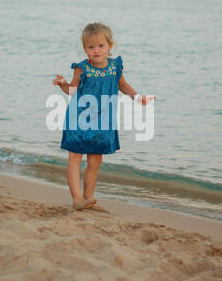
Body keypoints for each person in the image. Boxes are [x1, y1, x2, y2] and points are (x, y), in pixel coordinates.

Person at [53, 22, 156, 213]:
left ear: (110, 46)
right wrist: (62, 84)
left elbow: (122, 85)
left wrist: (137, 97)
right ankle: (77, 199)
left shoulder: (115, 66)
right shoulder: (81, 68)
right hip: (79, 118)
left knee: (95, 161)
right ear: (85, 49)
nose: (96, 51)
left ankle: (89, 199)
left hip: (103, 120)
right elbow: (73, 90)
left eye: (101, 46)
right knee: (75, 156)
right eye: (90, 47)